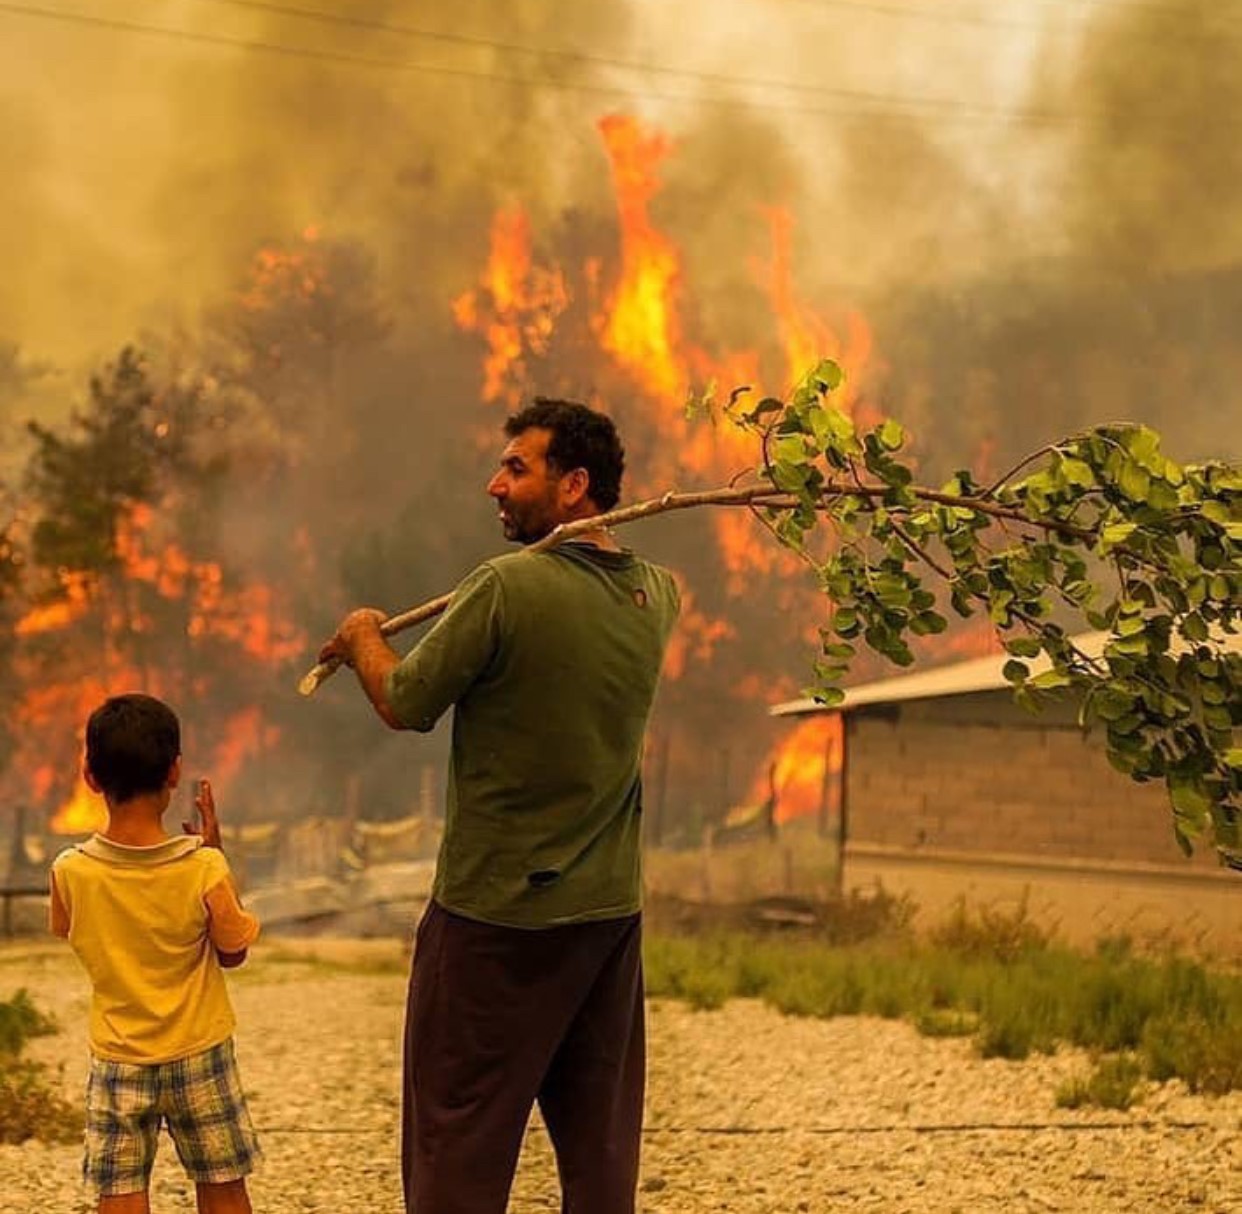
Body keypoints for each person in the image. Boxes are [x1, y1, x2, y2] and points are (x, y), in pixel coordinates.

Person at [319, 398, 680, 1214]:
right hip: (606, 919)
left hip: (492, 923)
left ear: (575, 485)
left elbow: (406, 700)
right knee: (599, 1156)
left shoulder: (503, 587)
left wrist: (362, 634)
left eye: (517, 468)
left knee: (458, 1147)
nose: (495, 484)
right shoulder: (658, 596)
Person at [48, 693, 262, 1214]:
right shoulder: (203, 868)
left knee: (118, 1189)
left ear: (90, 776)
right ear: (175, 773)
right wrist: (216, 858)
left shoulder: (69, 870)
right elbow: (233, 953)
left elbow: (68, 928)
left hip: (120, 1058)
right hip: (200, 1052)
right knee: (222, 1183)